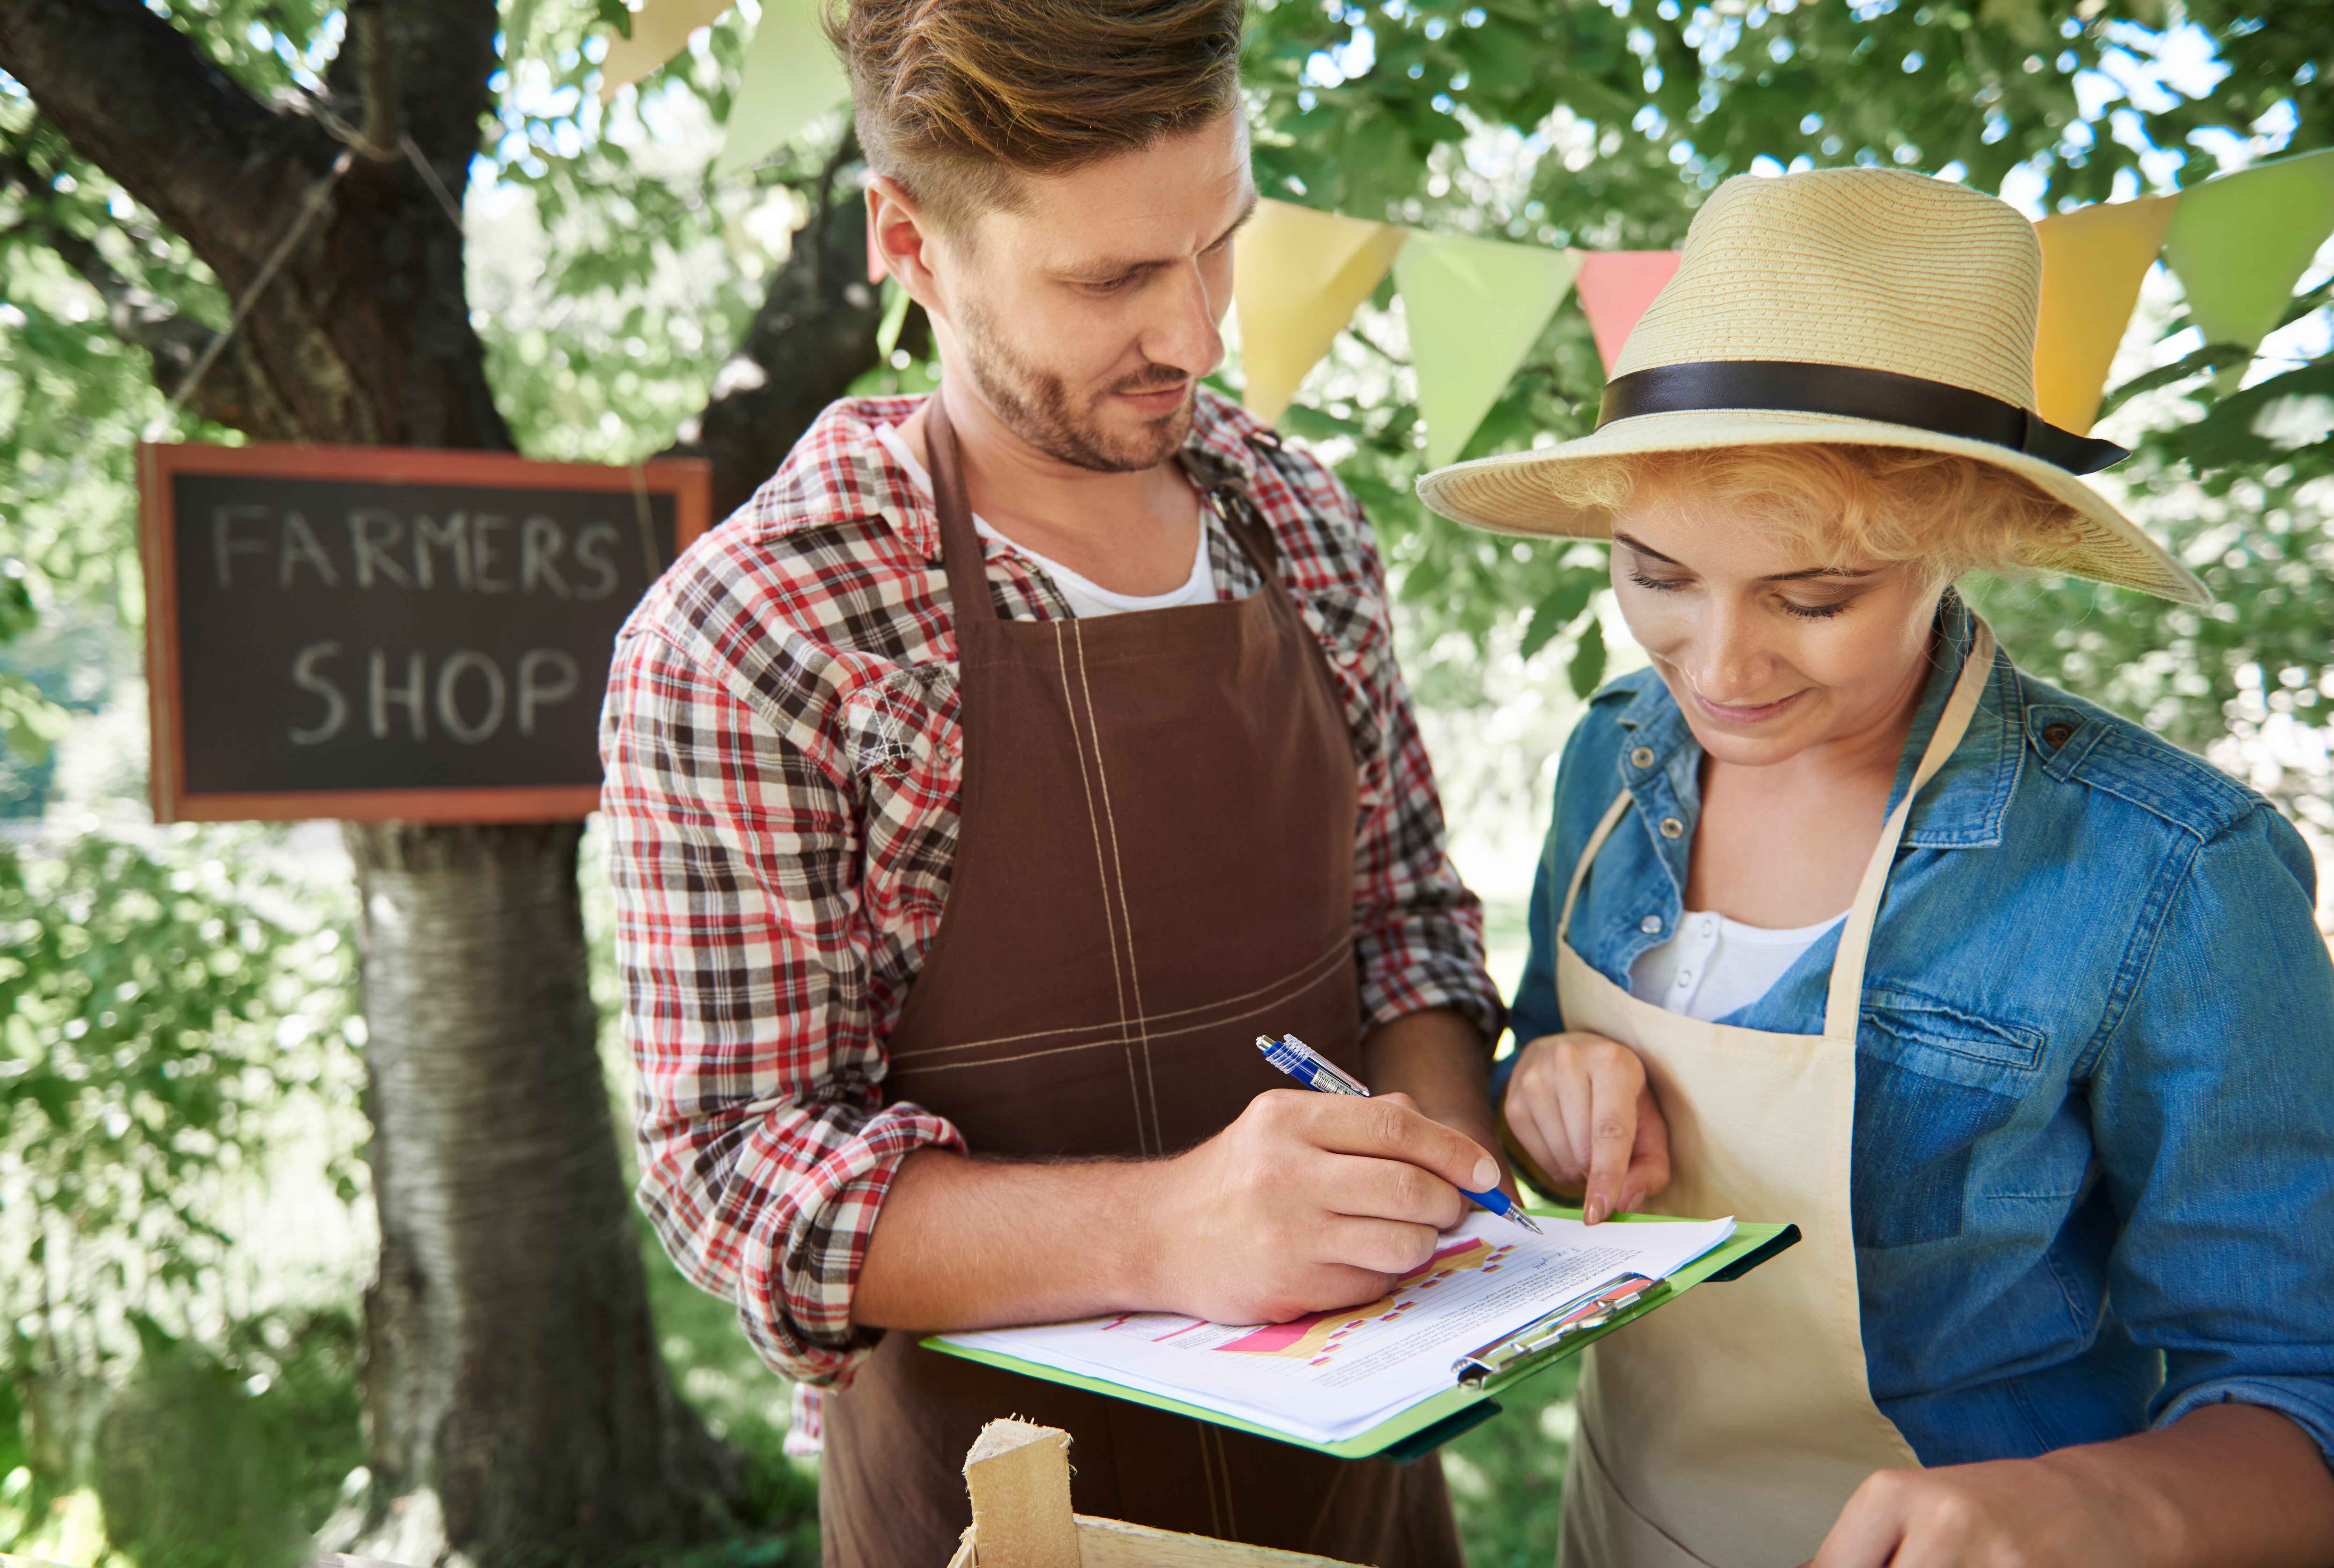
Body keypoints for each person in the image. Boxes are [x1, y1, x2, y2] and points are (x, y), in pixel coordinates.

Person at [600, 2, 1506, 1562]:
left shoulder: (1299, 521)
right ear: (910, 240)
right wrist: (1170, 1231)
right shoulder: (759, 631)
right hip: (993, 1511)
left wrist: (1442, 1180)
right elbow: (739, 1175)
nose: (1201, 335)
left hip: (1362, 1493)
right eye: (1109, 282)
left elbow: (1406, 920)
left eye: (1219, 241)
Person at [1417, 166, 2334, 1568]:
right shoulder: (1612, 761)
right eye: (1656, 573)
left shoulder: (2168, 870)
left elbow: (2295, 1387)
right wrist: (1541, 1088)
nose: (1715, 669)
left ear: (1953, 546)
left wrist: (2089, 1505)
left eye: (1811, 597)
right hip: (1617, 1520)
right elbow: (1545, 1056)